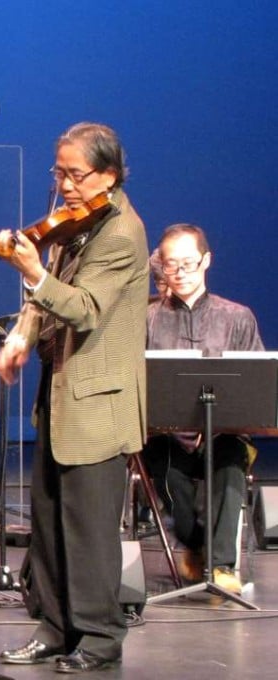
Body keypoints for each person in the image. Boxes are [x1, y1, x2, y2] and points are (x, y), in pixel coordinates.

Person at [0, 123, 148, 673]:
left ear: (108, 175)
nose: (63, 186)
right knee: (49, 520)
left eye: (74, 175)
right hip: (59, 392)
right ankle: (55, 628)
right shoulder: (79, 226)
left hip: (98, 401)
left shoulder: (122, 233)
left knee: (88, 530)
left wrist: (31, 269)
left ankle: (100, 638)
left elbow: (83, 308)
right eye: (58, 173)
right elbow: (45, 300)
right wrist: (19, 337)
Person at [144, 223, 263, 594]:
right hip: (165, 437)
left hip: (221, 433)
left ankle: (222, 566)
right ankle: (195, 545)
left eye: (188, 264)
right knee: (164, 473)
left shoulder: (237, 317)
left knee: (229, 464)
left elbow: (257, 386)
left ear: (206, 261)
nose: (178, 274)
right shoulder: (145, 318)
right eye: (170, 265)